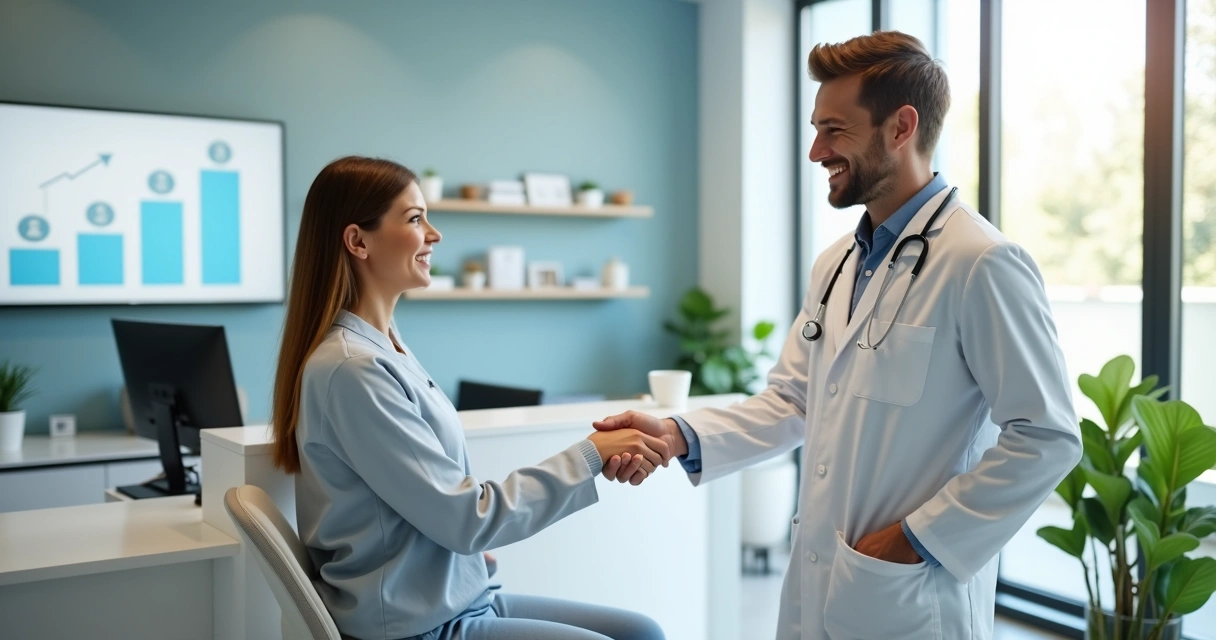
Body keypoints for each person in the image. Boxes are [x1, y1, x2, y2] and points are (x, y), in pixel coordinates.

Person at [595, 31, 1082, 640]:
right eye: (815, 129)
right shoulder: (836, 265)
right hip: (820, 585)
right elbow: (793, 401)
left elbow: (1048, 436)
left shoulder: (981, 262)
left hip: (908, 597)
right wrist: (676, 434)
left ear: (901, 127)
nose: (815, 151)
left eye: (834, 130)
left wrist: (914, 539)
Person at [270, 156, 669, 640]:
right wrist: (591, 454)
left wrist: (459, 557)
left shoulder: (386, 346)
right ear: (358, 241)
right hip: (415, 625)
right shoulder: (353, 369)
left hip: (460, 596)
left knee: (642, 631)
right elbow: (466, 518)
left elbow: (425, 505)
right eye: (415, 219)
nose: (434, 234)